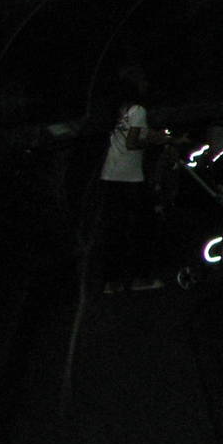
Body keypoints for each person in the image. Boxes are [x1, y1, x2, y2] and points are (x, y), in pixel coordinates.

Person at [97, 64, 174, 294]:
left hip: (111, 173)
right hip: (130, 177)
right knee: (143, 227)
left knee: (116, 229)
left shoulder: (119, 109)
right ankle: (141, 277)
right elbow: (133, 142)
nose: (146, 86)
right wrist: (156, 141)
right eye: (142, 82)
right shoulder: (138, 109)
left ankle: (112, 281)